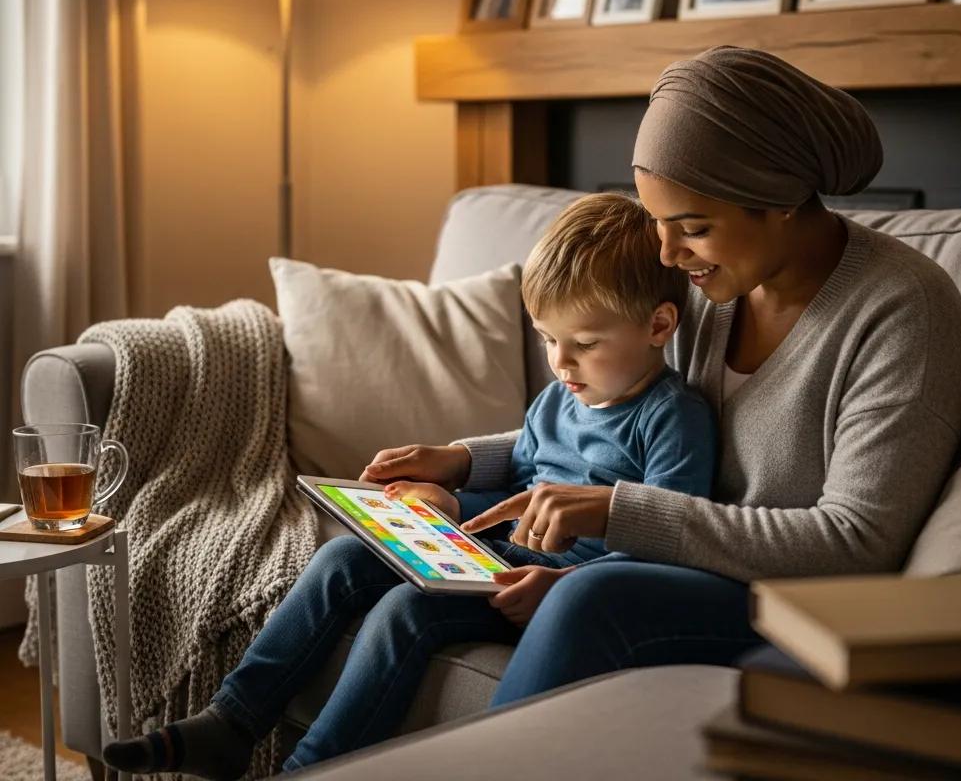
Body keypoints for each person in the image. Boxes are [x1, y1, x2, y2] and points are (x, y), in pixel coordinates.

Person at [419, 44, 961, 712]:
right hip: (668, 566)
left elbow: (857, 543)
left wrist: (619, 511)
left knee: (590, 595)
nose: (666, 253)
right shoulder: (714, 282)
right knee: (418, 559)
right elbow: (615, 413)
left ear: (779, 199)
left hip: (790, 603)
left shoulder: (903, 309)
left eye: (693, 228)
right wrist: (464, 461)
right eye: (657, 223)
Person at [102, 191, 717, 778]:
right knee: (344, 557)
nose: (561, 362)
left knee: (408, 609)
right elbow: (521, 479)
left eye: (584, 344)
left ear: (658, 326)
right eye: (549, 339)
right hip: (498, 555)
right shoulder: (558, 400)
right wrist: (450, 500)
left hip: (554, 587)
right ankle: (230, 721)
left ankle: (310, 769)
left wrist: (561, 586)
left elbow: (667, 539)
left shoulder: (672, 417)